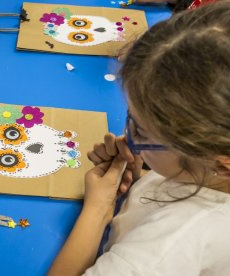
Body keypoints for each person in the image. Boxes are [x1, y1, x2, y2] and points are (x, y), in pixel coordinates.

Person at [48, 1, 230, 275]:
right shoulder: (208, 170)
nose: (127, 136)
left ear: (222, 163)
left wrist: (98, 209)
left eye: (141, 131)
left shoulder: (165, 247)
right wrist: (142, 176)